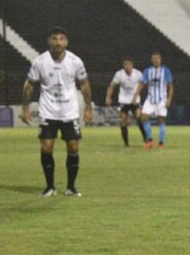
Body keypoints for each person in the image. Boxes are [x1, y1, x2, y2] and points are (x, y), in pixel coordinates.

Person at [22, 26, 92, 197]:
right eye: (55, 39)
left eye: (61, 39)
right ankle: (50, 187)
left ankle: (71, 187)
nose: (58, 42)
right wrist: (25, 107)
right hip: (48, 111)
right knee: (46, 147)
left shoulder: (75, 61)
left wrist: (88, 107)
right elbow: (30, 85)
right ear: (49, 41)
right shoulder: (40, 61)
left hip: (69, 112)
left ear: (66, 42)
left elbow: (84, 84)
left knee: (73, 147)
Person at [105, 57, 145, 148]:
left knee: (139, 119)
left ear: (132, 65)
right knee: (123, 121)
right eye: (125, 64)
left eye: (129, 64)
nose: (127, 66)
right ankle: (126, 144)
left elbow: (143, 84)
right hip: (124, 100)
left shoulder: (138, 73)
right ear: (123, 66)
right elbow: (112, 86)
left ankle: (146, 140)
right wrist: (108, 97)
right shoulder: (119, 74)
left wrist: (137, 94)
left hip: (135, 100)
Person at [139, 52, 173, 149]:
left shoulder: (165, 70)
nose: (156, 60)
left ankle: (161, 143)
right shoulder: (147, 71)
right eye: (154, 58)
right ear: (151, 60)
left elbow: (170, 86)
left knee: (161, 120)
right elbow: (142, 84)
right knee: (144, 117)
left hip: (162, 99)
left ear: (160, 59)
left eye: (157, 58)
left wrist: (169, 99)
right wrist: (135, 95)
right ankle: (150, 140)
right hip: (150, 98)